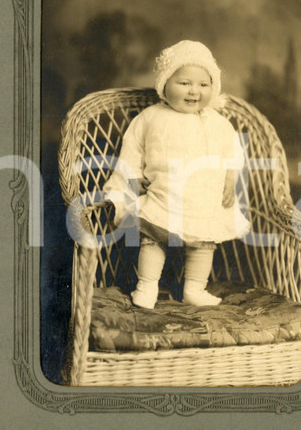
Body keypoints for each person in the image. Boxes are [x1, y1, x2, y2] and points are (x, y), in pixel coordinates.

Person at [104, 40, 249, 309]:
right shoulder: (150, 117)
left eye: (204, 85)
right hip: (163, 195)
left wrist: (230, 179)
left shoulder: (218, 123)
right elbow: (132, 151)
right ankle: (146, 286)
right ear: (164, 84)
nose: (194, 91)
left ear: (213, 87)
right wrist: (131, 181)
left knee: (204, 245)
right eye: (184, 83)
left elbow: (232, 153)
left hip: (203, 199)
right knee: (153, 239)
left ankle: (194, 288)